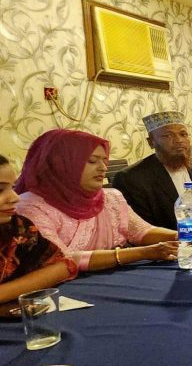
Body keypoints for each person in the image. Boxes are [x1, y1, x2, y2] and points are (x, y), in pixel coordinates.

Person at [16, 130, 179, 272]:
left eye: (104, 160)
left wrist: (184, 236)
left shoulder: (110, 198)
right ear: (60, 163)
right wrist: (143, 253)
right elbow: (58, 259)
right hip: (67, 286)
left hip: (116, 273)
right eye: (92, 161)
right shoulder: (31, 207)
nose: (103, 168)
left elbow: (142, 232)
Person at [113, 111, 192, 230]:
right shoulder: (131, 179)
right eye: (168, 135)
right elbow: (141, 230)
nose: (179, 140)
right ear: (151, 142)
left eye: (183, 134)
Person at [0, 154, 77, 303]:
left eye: (13, 187)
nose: (15, 198)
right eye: (0, 190)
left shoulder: (17, 227)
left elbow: (61, 267)